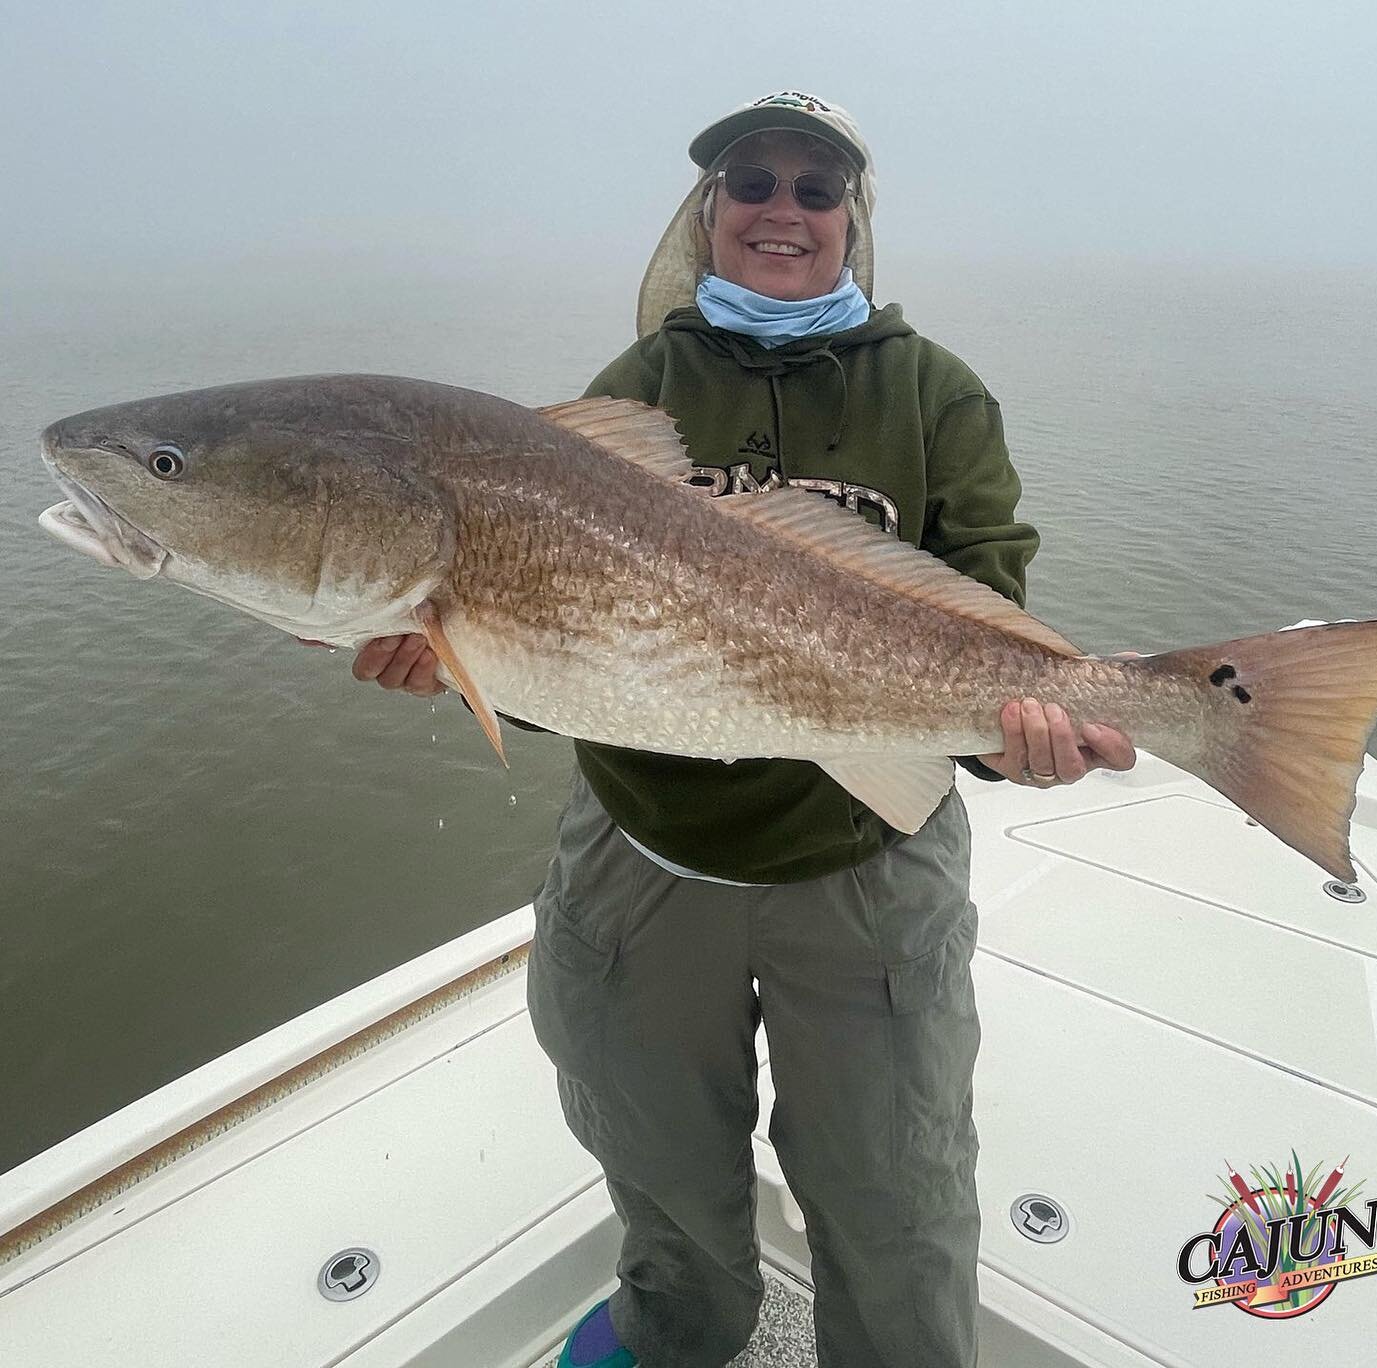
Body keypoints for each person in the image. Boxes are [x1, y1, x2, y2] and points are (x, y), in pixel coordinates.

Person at [351, 92, 1136, 1368]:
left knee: (898, 1189)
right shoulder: (640, 386)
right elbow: (566, 627)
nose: (782, 210)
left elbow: (986, 601)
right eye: (751, 183)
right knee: (652, 1158)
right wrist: (443, 650)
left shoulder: (937, 393)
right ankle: (675, 1333)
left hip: (869, 867)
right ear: (706, 213)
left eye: (814, 190)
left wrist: (1013, 732)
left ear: (851, 220)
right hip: (644, 852)